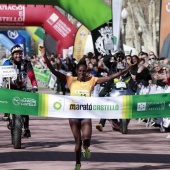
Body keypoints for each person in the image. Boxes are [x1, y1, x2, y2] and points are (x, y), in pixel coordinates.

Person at [39, 46, 136, 170]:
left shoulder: (91, 80)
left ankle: (86, 148)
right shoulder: (71, 80)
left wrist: (128, 68)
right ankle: (78, 164)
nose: (81, 73)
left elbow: (110, 77)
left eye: (84, 71)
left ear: (87, 72)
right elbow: (54, 71)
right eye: (79, 71)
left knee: (86, 140)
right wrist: (45, 57)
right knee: (77, 142)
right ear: (76, 71)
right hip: (73, 115)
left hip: (86, 115)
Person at [0, 44, 38, 138]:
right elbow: (1, 74)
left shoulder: (26, 63)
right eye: (16, 54)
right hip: (10, 86)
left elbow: (31, 76)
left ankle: (26, 128)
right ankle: (6, 113)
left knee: (25, 108)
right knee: (5, 95)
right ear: (13, 55)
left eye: (20, 54)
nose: (18, 56)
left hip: (22, 87)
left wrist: (34, 86)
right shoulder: (7, 62)